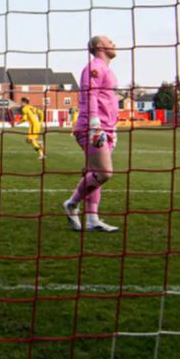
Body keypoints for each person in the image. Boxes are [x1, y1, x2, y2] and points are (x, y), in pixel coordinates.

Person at [62, 36, 120, 233]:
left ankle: (92, 219)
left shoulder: (107, 69)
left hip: (108, 128)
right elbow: (90, 94)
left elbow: (107, 100)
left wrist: (114, 127)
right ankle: (71, 204)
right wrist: (95, 124)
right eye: (109, 41)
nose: (113, 43)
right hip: (93, 127)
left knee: (95, 173)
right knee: (104, 173)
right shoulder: (94, 67)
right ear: (98, 47)